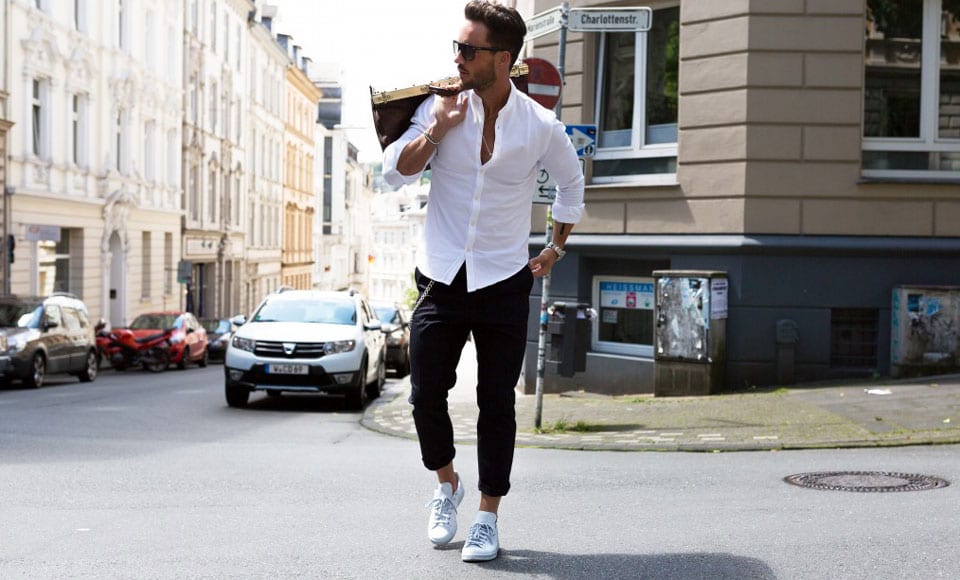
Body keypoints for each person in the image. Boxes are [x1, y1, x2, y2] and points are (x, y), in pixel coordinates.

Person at [381, 0, 584, 563]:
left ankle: (487, 517)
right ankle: (447, 484)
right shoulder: (440, 107)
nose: (458, 58)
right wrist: (437, 132)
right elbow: (395, 171)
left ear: (502, 57)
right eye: (457, 46)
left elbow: (572, 184)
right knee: (425, 394)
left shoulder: (539, 126)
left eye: (469, 50)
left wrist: (555, 246)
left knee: (496, 402)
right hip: (440, 276)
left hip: (503, 281)